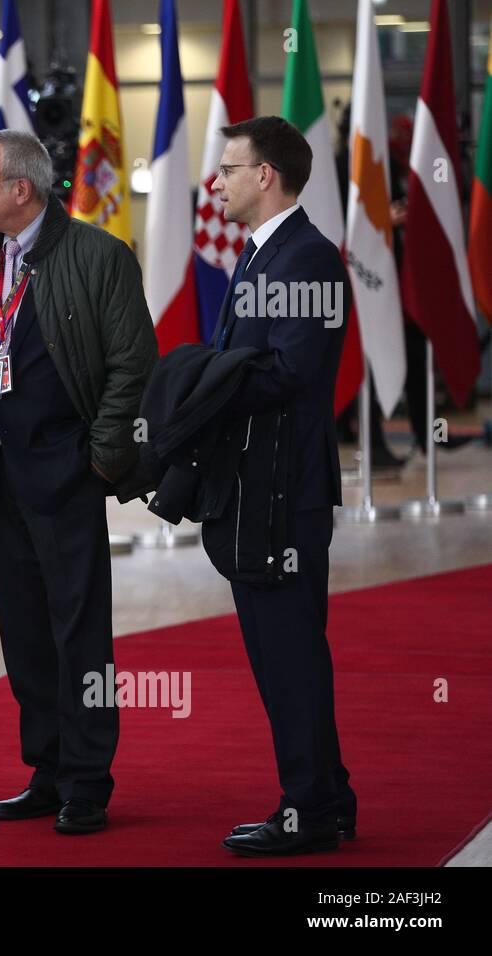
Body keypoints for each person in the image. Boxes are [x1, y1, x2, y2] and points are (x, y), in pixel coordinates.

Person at [0, 129, 157, 835]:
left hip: (66, 479)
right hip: (2, 481)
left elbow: (133, 368)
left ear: (21, 190)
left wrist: (96, 461)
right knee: (25, 636)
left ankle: (88, 781)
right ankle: (47, 770)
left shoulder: (100, 256)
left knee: (78, 633)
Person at [208, 115, 357, 856]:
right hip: (256, 486)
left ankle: (307, 810)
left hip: (282, 489)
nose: (219, 181)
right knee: (282, 654)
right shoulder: (266, 253)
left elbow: (289, 371)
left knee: (289, 654)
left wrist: (197, 384)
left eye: (230, 168)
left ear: (265, 176)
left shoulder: (306, 257)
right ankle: (329, 794)